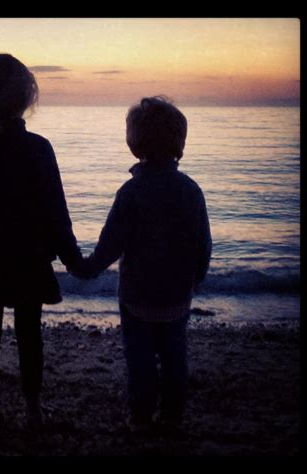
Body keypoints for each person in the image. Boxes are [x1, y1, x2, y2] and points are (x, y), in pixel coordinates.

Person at [0, 54, 82, 431]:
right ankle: (33, 410)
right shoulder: (38, 148)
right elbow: (57, 213)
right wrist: (75, 261)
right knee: (29, 334)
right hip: (28, 261)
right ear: (27, 99)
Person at [69, 96, 212, 433]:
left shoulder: (131, 193)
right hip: (178, 293)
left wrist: (85, 268)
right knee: (175, 354)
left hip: (137, 296)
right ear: (180, 143)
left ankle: (142, 416)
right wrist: (199, 276)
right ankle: (173, 413)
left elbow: (110, 245)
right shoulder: (191, 191)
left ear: (134, 144)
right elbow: (202, 242)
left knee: (140, 358)